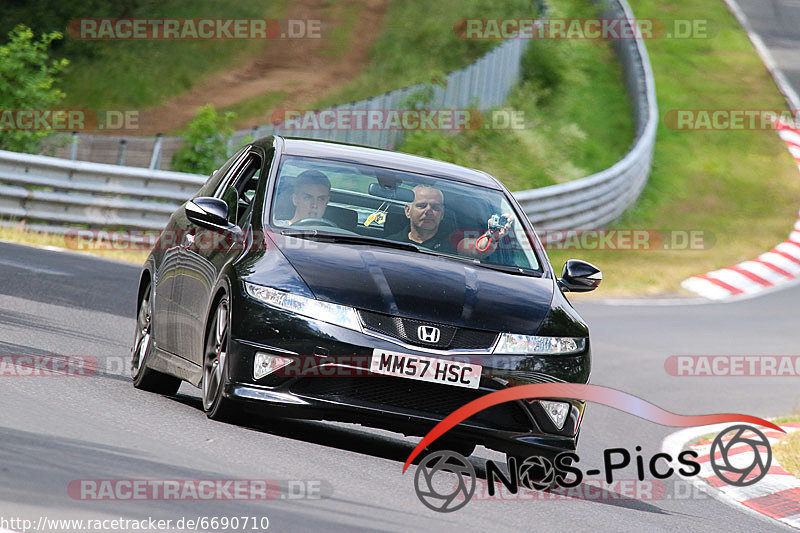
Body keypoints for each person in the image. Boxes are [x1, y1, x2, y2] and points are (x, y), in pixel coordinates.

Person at [387, 185, 514, 258]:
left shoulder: (454, 241)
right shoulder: (390, 243)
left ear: (442, 214)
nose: (428, 211)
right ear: (407, 211)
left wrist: (491, 236)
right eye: (421, 206)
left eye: (435, 207)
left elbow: (477, 249)